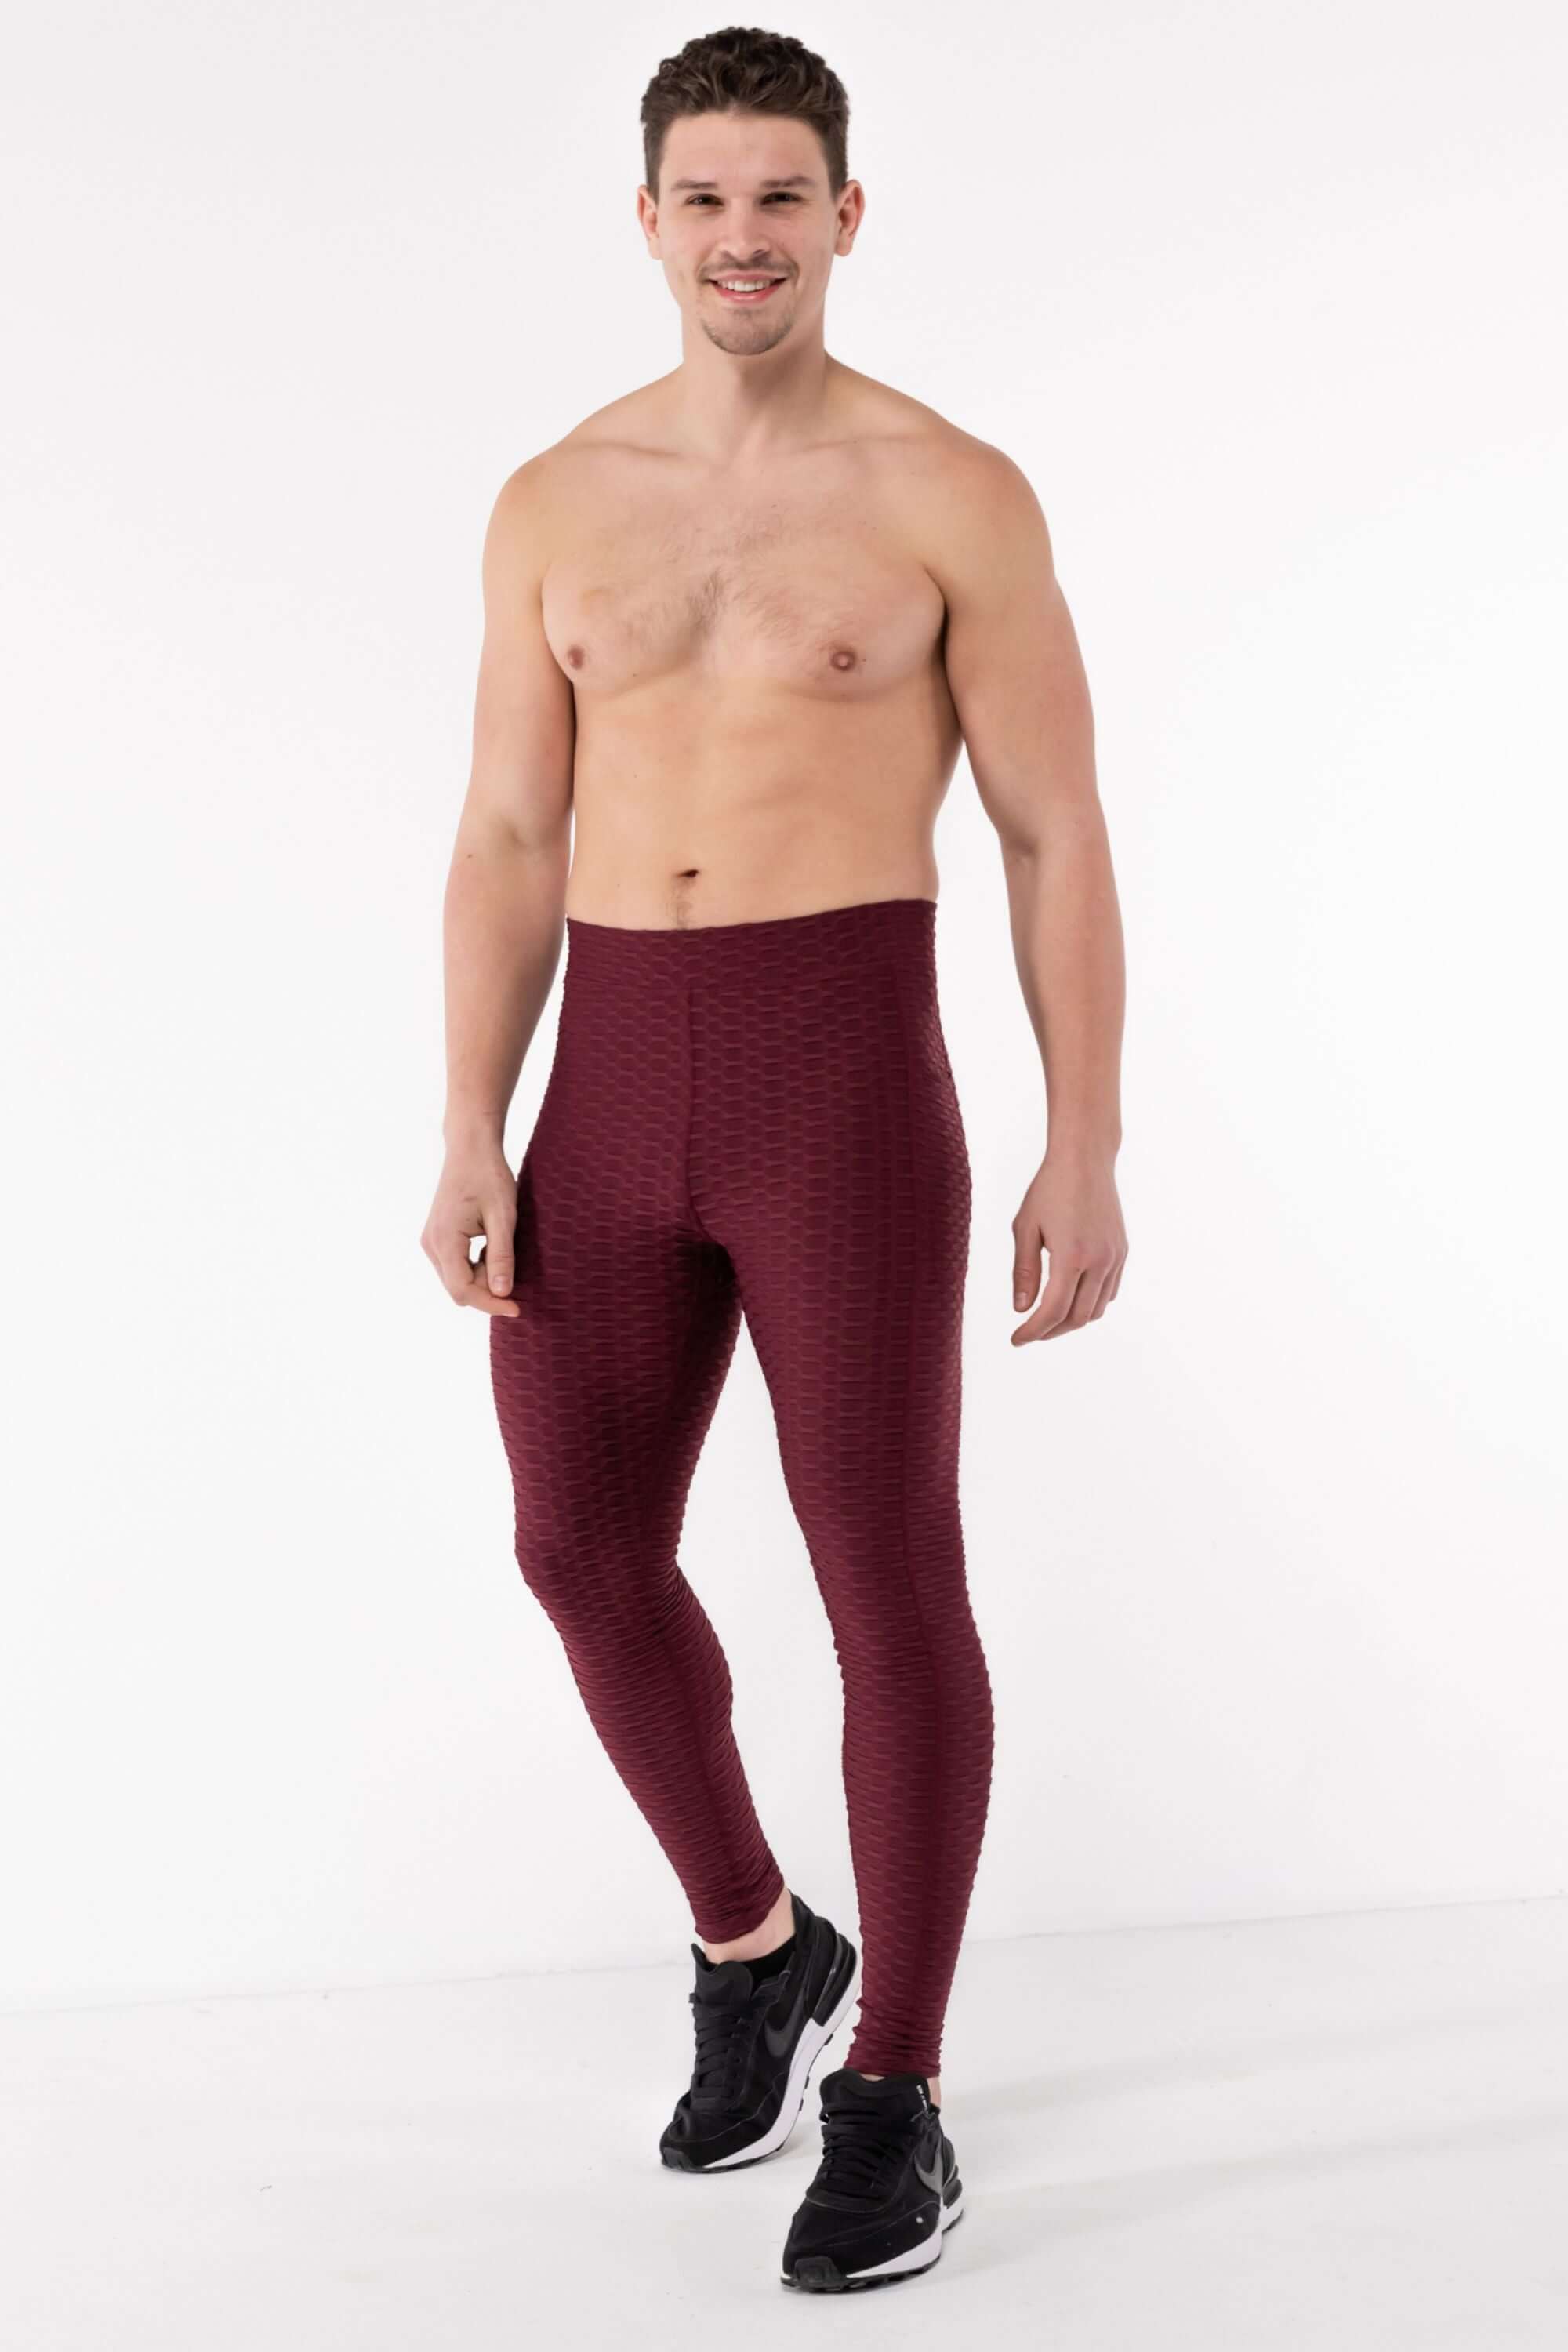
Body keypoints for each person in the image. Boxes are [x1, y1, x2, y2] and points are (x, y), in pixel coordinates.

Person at [420, 24, 1127, 2295]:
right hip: (611, 1080)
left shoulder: (951, 493)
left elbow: (1051, 830)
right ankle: (757, 1941)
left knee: (881, 1572)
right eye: (706, 200)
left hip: (842, 1081)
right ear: (649, 222)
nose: (745, 238)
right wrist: (470, 1120)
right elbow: (508, 831)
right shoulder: (554, 498)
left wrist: (1086, 1138)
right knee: (575, 1543)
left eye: (782, 198)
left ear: (847, 215)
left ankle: (894, 2087)